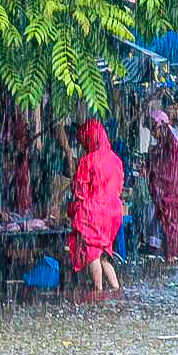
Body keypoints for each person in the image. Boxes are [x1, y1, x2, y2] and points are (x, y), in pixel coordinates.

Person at [67, 119, 124, 291]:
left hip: (94, 213)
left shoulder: (87, 161)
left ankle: (98, 294)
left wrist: (73, 209)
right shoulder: (116, 160)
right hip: (114, 213)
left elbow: (80, 191)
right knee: (105, 256)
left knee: (92, 254)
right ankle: (116, 290)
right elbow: (119, 188)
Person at [145, 108, 178, 261]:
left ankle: (171, 255)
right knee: (166, 222)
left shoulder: (171, 144)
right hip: (167, 191)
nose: (152, 133)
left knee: (171, 223)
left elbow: (168, 169)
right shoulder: (163, 144)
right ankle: (170, 254)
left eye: (153, 129)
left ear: (162, 126)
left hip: (171, 192)